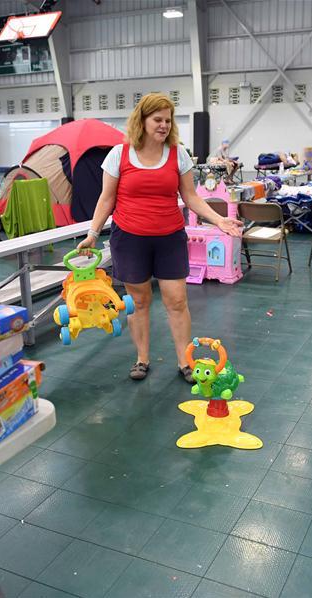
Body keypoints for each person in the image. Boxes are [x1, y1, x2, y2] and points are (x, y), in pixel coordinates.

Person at [77, 93, 243, 382]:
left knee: (176, 300)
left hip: (169, 238)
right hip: (129, 239)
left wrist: (218, 219)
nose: (164, 125)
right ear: (142, 120)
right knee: (139, 301)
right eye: (158, 119)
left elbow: (190, 196)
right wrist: (92, 233)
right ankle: (142, 359)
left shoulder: (178, 154)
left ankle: (185, 362)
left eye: (168, 120)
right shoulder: (120, 153)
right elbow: (107, 198)